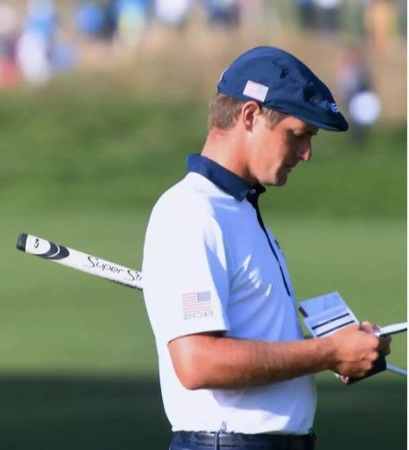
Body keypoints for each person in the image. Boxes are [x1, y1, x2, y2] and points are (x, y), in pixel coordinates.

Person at [141, 46, 391, 450]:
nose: (307, 153)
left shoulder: (239, 211)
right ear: (251, 116)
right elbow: (197, 361)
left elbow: (260, 338)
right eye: (298, 134)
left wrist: (342, 349)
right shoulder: (191, 211)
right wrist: (327, 352)